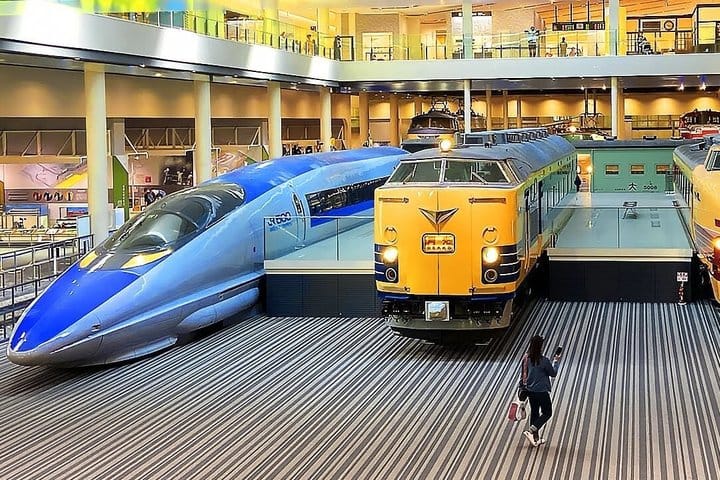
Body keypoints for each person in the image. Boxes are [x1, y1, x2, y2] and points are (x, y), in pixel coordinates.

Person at [520, 335, 560, 447]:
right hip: (542, 391)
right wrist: (556, 362)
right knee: (547, 412)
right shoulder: (544, 361)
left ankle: (535, 438)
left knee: (535, 411)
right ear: (540, 347)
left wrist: (522, 388)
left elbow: (523, 374)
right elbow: (553, 373)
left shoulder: (526, 358)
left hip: (530, 390)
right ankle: (532, 430)